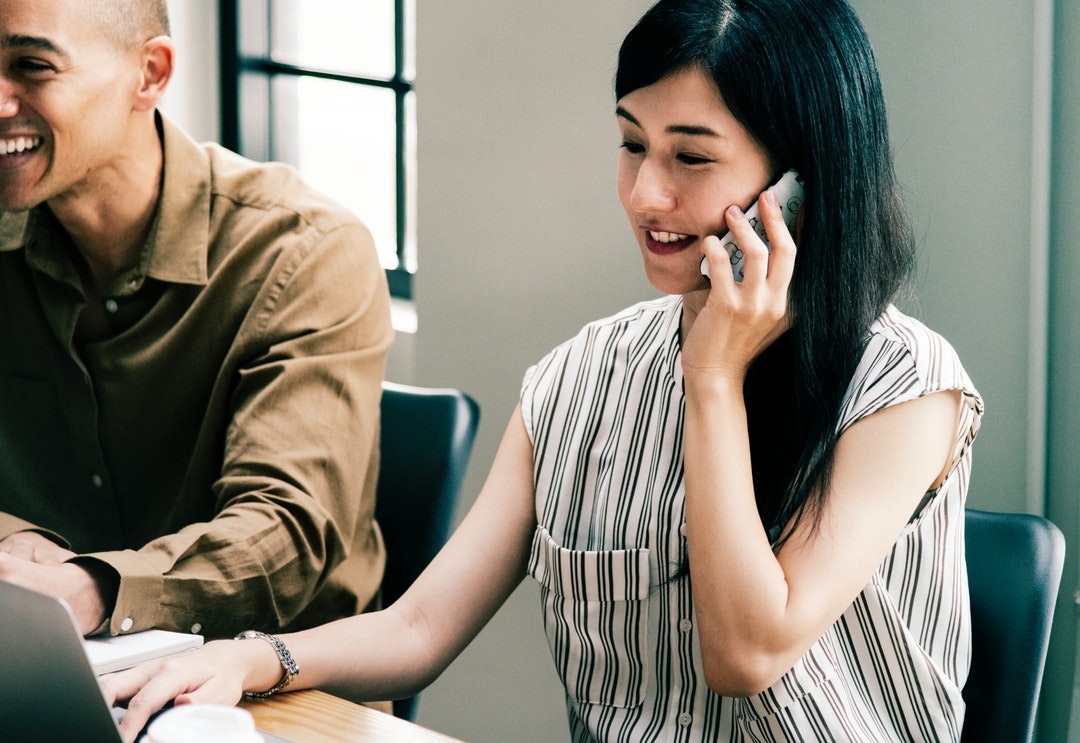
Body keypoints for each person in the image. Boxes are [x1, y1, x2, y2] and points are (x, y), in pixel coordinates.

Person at [104, 0, 983, 740]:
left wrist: (713, 379)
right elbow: (420, 626)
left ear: (800, 188)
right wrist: (254, 656)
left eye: (692, 156)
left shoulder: (904, 387)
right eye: (633, 144)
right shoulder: (577, 379)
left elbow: (745, 654)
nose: (646, 194)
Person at [0, 0, 392, 640]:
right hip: (37, 659)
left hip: (273, 690)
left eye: (33, 66)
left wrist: (96, 587)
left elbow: (284, 533)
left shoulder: (304, 253)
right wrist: (22, 551)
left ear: (149, 74)